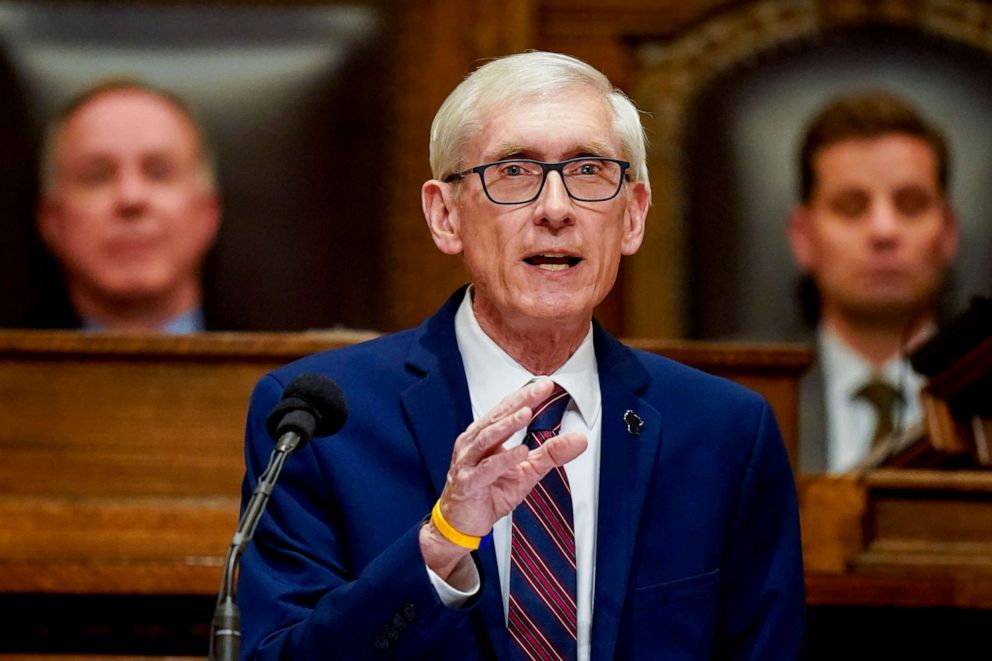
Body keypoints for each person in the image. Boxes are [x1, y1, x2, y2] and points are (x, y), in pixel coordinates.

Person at [238, 51, 805, 659]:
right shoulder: (321, 425)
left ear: (633, 216)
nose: (556, 209)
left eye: (589, 170)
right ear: (445, 215)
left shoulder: (726, 434)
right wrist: (441, 545)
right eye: (514, 171)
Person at [787, 91, 959, 473]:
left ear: (947, 233)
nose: (884, 230)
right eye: (852, 206)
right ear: (803, 237)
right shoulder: (745, 397)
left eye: (911, 204)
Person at [35, 80, 221, 332]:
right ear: (53, 221)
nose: (131, 198)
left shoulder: (284, 368)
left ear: (207, 214)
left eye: (159, 173)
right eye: (97, 176)